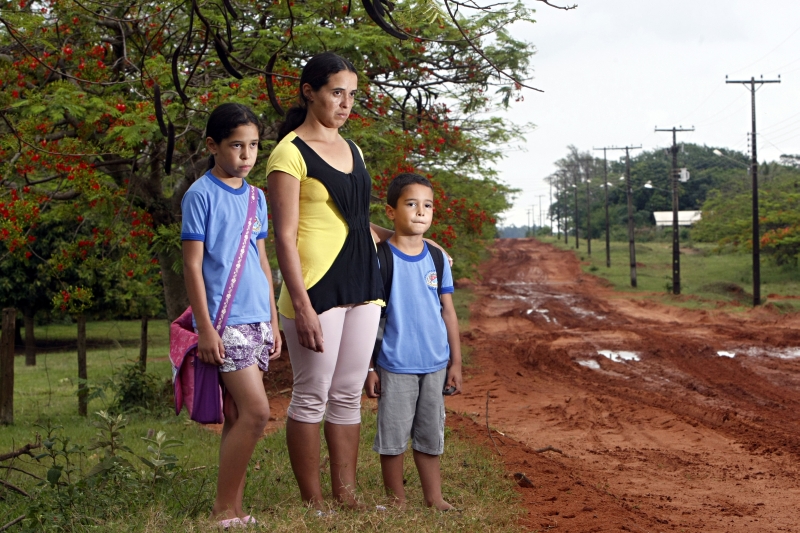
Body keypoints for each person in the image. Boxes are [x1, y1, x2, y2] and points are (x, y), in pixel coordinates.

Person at [266, 52, 386, 512]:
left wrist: (409, 241)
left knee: (348, 392)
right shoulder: (288, 153)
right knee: (312, 393)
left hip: (363, 279)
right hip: (315, 288)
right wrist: (302, 305)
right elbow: (283, 236)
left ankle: (347, 495)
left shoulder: (353, 149)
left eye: (352, 94)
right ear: (309, 92)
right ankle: (313, 501)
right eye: (337, 92)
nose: (346, 103)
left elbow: (359, 223)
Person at [181, 103, 282, 528]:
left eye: (254, 145)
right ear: (213, 145)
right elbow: (192, 265)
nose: (246, 155)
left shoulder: (257, 198)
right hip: (224, 322)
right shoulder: (199, 195)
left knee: (240, 416)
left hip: (258, 317)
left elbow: (262, 260)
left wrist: (274, 320)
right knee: (258, 412)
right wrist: (205, 328)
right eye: (236, 145)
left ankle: (235, 511)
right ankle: (222, 508)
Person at [364, 173, 463, 511]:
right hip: (394, 363)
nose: (421, 212)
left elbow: (448, 312)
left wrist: (456, 363)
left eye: (428, 205)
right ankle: (396, 501)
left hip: (435, 363)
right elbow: (373, 319)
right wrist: (370, 366)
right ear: (390, 212)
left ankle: (434, 498)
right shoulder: (380, 258)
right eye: (411, 204)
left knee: (430, 435)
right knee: (392, 437)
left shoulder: (437, 259)